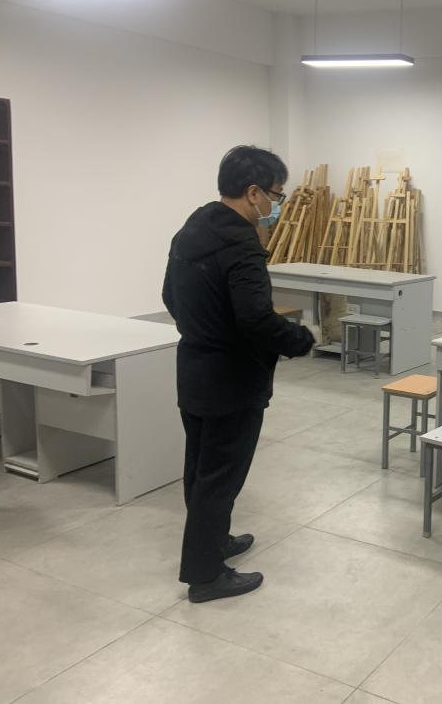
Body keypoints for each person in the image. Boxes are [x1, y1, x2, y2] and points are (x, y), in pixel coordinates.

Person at [163, 145, 315, 603]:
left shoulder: (193, 229)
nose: (276, 205)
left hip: (194, 369)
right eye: (276, 195)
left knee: (200, 468)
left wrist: (205, 330)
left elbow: (170, 296)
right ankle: (206, 576)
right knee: (221, 478)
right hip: (231, 381)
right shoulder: (242, 246)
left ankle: (215, 541)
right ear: (253, 193)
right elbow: (255, 320)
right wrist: (299, 339)